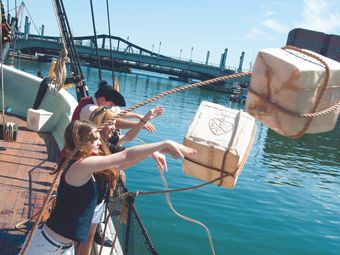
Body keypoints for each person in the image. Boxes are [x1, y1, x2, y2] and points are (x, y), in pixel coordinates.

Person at [21, 120, 195, 255]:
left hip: (62, 246)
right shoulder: (81, 165)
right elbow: (124, 156)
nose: (99, 142)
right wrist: (163, 143)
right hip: (47, 247)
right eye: (94, 139)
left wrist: (152, 151)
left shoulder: (84, 165)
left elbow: (124, 162)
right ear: (80, 142)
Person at [77, 106, 167, 254]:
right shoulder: (98, 146)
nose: (114, 127)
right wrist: (153, 151)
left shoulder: (106, 139)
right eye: (112, 123)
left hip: (98, 198)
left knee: (88, 236)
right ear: (101, 124)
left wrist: (144, 119)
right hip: (87, 198)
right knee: (81, 235)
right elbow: (126, 153)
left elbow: (127, 138)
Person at [72, 80, 156, 133]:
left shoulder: (92, 102)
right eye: (111, 105)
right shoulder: (90, 109)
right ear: (103, 99)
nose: (111, 107)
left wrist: (137, 116)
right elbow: (114, 122)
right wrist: (140, 124)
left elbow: (117, 113)